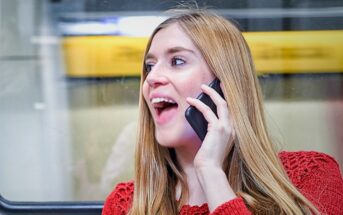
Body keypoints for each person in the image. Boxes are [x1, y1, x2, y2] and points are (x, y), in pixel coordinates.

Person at [102, 9, 343, 215]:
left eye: (177, 61)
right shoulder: (125, 204)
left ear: (225, 86)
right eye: (149, 66)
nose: (151, 78)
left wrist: (211, 172)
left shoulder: (310, 176)